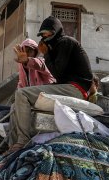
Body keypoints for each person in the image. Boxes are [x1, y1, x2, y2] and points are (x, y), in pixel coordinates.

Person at [7, 15, 94, 151]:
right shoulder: (55, 47)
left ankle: (23, 141)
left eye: (47, 33)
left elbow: (56, 72)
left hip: (76, 88)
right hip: (66, 86)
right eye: (42, 34)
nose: (44, 36)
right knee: (14, 106)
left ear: (56, 31)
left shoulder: (66, 42)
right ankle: (12, 146)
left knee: (22, 94)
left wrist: (46, 54)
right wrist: (26, 61)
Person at [0, 38, 55, 153]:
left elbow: (41, 65)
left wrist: (27, 60)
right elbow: (20, 89)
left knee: (2, 114)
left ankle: (7, 146)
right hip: (21, 107)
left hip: (36, 108)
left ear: (35, 53)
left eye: (30, 51)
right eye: (25, 51)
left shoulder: (41, 63)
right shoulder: (22, 72)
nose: (27, 54)